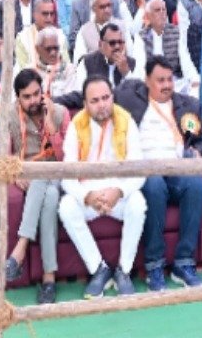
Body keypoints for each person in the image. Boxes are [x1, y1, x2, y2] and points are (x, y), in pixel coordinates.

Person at [115, 57, 202, 290]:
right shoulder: (131, 98)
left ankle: (184, 263)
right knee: (155, 185)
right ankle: (154, 266)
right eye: (160, 80)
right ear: (147, 81)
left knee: (196, 184)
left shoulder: (187, 105)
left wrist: (197, 152)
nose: (167, 85)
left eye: (170, 79)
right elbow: (92, 95)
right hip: (146, 169)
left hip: (177, 167)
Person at [58, 75, 146, 299]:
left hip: (118, 191)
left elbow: (140, 169)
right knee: (66, 206)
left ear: (112, 97)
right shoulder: (76, 125)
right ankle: (99, 268)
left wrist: (119, 192)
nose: (102, 104)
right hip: (89, 194)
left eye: (106, 98)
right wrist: (87, 196)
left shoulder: (126, 121)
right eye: (95, 100)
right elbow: (66, 175)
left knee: (138, 203)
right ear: (85, 104)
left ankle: (124, 271)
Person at [0, 69, 67, 305]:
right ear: (18, 98)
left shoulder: (60, 113)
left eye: (37, 94)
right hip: (33, 180)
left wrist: (51, 127)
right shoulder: (10, 118)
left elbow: (68, 158)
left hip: (58, 173)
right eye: (27, 97)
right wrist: (15, 176)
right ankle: (48, 279)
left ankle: (20, 248)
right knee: (50, 197)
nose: (34, 100)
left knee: (44, 180)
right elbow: (3, 158)